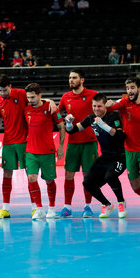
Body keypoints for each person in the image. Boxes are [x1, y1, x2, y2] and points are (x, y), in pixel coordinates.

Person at [0, 75, 56, 218]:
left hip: (24, 141)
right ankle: (5, 208)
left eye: (5, 90)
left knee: (30, 175)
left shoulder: (21, 94)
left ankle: (35, 208)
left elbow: (37, 100)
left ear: (10, 86)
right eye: (0, 90)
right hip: (8, 142)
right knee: (6, 174)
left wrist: (51, 101)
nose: (2, 93)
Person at [66, 93, 126, 218]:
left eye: (99, 106)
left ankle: (121, 202)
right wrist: (69, 123)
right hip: (105, 157)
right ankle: (107, 204)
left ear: (105, 106)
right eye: (94, 106)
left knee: (110, 176)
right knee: (87, 183)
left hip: (120, 156)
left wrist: (103, 125)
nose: (96, 109)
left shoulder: (113, 116)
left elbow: (120, 135)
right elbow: (73, 130)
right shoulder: (91, 118)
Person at [106, 77, 140, 218]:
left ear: (139, 89)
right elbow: (111, 107)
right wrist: (109, 103)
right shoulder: (123, 103)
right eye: (128, 88)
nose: (130, 91)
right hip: (129, 151)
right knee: (135, 186)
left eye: (132, 87)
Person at [58, 69, 98, 218]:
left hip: (90, 143)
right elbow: (58, 112)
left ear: (82, 80)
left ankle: (88, 207)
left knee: (88, 176)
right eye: (69, 78)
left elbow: (104, 108)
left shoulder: (93, 95)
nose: (71, 80)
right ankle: (67, 207)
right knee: (69, 174)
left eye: (74, 78)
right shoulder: (65, 97)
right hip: (73, 143)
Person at [24, 83, 65, 219]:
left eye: (33, 97)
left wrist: (60, 146)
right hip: (30, 151)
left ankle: (52, 208)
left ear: (40, 95)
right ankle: (39, 208)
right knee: (31, 178)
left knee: (49, 180)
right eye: (28, 97)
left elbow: (61, 126)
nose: (30, 100)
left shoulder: (50, 108)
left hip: (47, 151)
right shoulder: (26, 109)